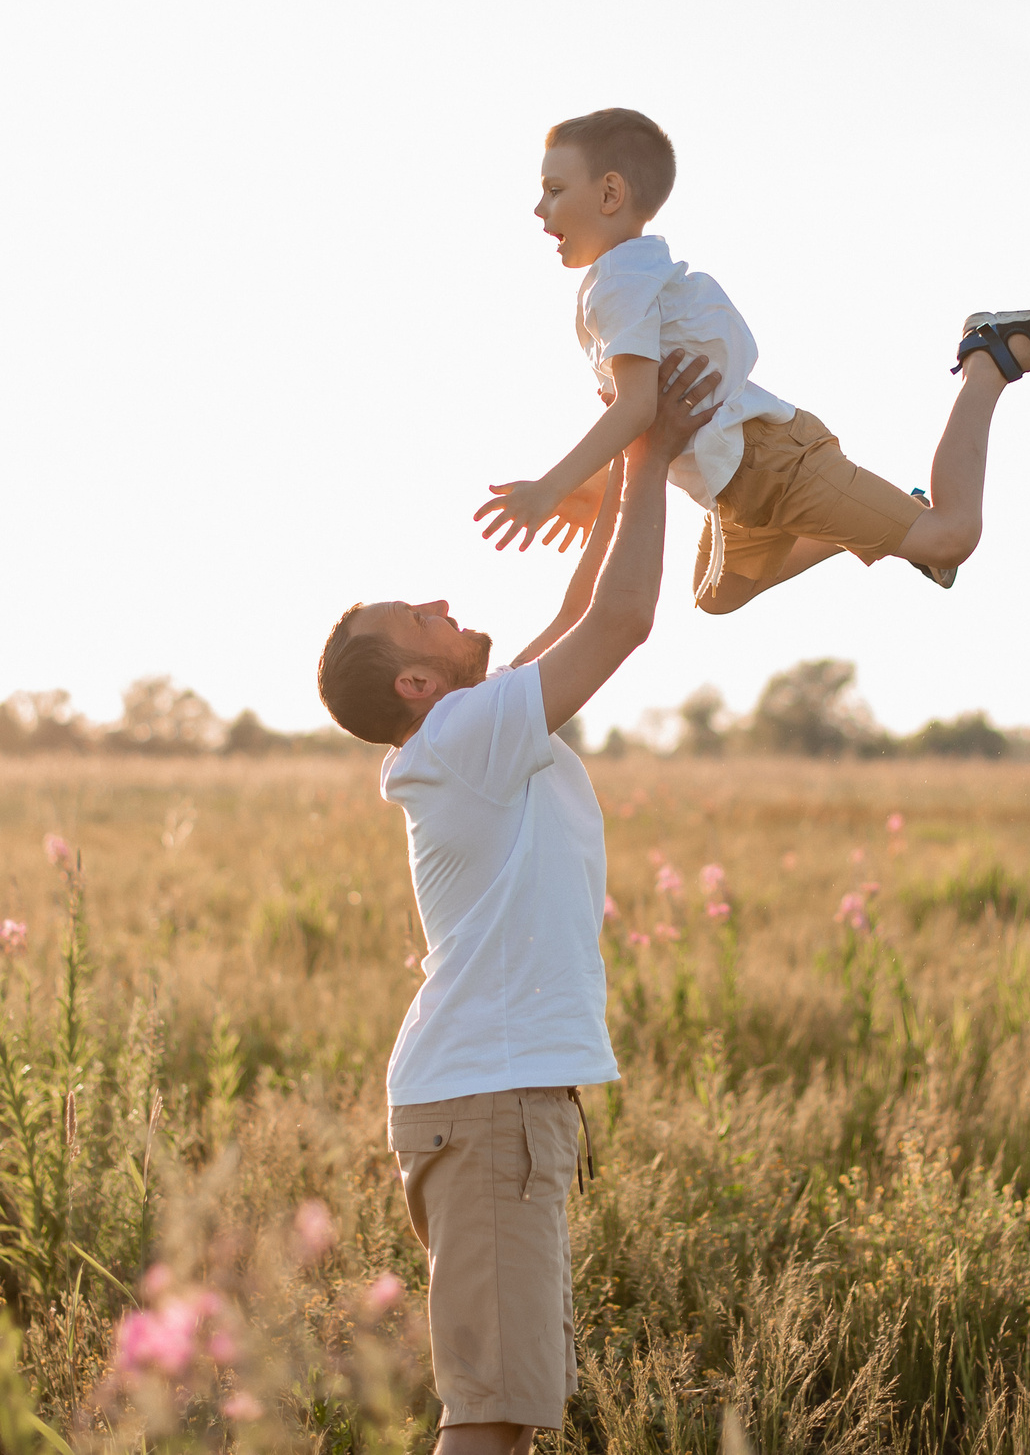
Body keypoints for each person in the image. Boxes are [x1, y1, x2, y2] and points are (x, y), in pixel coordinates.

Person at [316, 349, 723, 1454]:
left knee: (502, 1403)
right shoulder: (462, 734)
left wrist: (618, 487)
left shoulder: (468, 731)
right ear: (415, 682)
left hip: (489, 1091)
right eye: (421, 616)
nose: (447, 603)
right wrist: (644, 450)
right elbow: (623, 620)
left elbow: (572, 613)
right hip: (490, 1094)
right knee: (492, 1416)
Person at [473, 107, 1030, 612]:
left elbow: (637, 408)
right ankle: (887, 517)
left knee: (951, 538)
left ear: (610, 192)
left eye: (553, 191)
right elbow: (662, 415)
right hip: (736, 489)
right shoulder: (625, 278)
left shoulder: (618, 285)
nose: (539, 209)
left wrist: (551, 489)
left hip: (776, 462)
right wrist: (595, 488)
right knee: (714, 598)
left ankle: (987, 360)